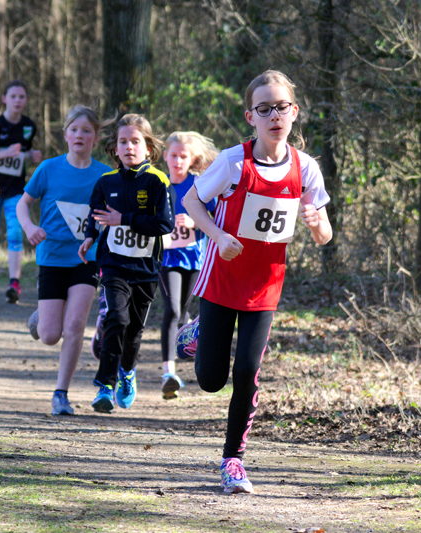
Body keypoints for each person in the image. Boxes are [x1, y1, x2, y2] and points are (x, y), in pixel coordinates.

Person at [180, 70, 332, 493]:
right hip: (222, 278)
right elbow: (192, 200)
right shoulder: (233, 161)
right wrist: (218, 235)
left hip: (265, 287)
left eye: (281, 106)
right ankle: (199, 330)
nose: (274, 115)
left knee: (247, 371)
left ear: (294, 112)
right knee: (211, 380)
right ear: (251, 116)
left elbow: (324, 236)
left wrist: (318, 223)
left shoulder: (306, 168)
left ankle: (233, 461)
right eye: (264, 108)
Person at [16, 105, 111, 415]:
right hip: (52, 257)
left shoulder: (104, 175)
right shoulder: (48, 169)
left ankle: (61, 394)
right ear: (66, 134)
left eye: (86, 131)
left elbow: (111, 215)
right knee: (49, 335)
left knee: (75, 325)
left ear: (95, 137)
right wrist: (30, 227)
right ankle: (41, 319)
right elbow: (23, 204)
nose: (79, 135)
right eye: (74, 130)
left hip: (88, 259)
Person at [78, 114, 173, 413]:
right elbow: (94, 215)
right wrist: (89, 237)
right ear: (115, 149)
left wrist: (125, 220)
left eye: (136, 141)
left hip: (145, 268)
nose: (129, 147)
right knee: (115, 319)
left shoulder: (158, 181)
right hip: (114, 264)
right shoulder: (106, 182)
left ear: (148, 148)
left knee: (133, 330)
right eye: (123, 142)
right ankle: (104, 386)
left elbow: (165, 224)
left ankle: (127, 373)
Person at [157, 131, 218, 400]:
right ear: (165, 156)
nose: (178, 161)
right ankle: (168, 373)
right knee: (171, 310)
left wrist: (195, 222)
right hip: (167, 258)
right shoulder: (158, 184)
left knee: (183, 312)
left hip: (195, 258)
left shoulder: (200, 185)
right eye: (174, 155)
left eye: (184, 156)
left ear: (192, 158)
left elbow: (217, 215)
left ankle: (187, 334)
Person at [0, 80, 43, 303]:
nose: (17, 101)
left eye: (21, 97)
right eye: (13, 96)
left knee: (15, 232)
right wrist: (5, 154)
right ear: (4, 98)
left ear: (26, 100)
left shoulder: (29, 126)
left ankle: (14, 282)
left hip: (16, 190)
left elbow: (24, 152)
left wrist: (31, 155)